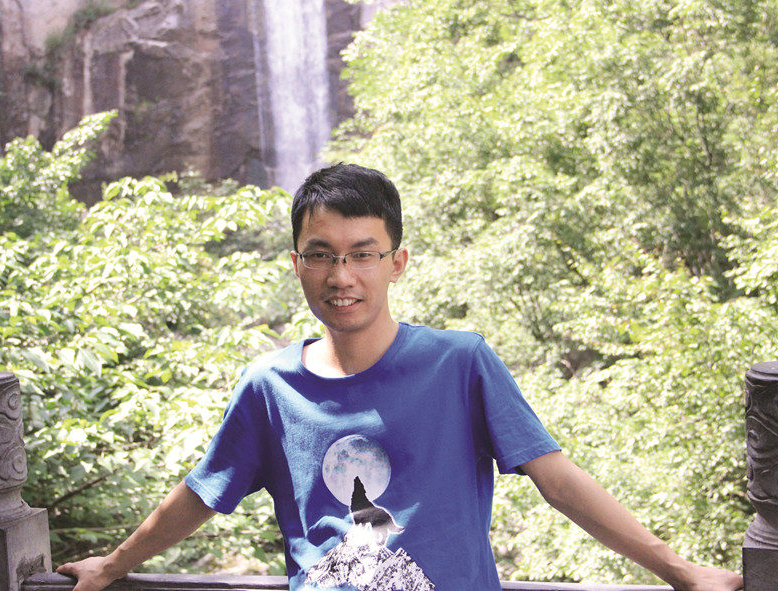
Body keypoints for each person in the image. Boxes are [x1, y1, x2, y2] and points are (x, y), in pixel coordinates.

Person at [58, 164, 744, 591]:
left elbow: (558, 480)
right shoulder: (269, 385)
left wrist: (678, 569)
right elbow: (203, 492)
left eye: (363, 254)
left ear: (397, 262)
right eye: (321, 255)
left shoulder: (460, 362)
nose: (342, 275)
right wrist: (113, 564)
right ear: (297, 264)